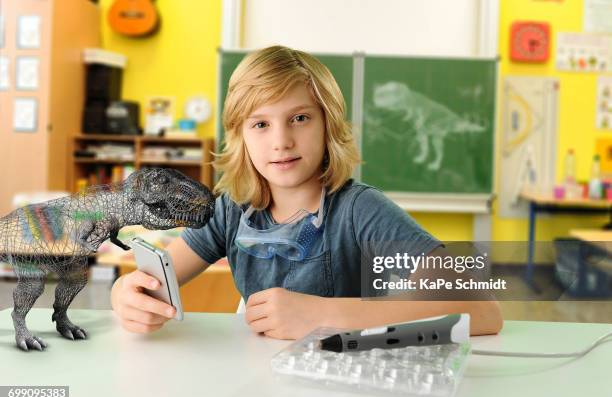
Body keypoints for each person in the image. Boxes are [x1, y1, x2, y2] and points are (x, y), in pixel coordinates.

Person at [111, 45, 503, 340]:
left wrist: (324, 314)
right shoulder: (232, 209)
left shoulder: (359, 210)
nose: (281, 141)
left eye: (299, 118)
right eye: (260, 124)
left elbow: (483, 310)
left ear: (327, 125)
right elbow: (153, 281)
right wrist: (124, 294)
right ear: (240, 136)